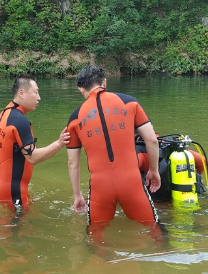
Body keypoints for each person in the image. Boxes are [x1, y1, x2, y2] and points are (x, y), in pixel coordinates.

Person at [65, 66, 164, 246]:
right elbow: (152, 140)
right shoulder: (129, 102)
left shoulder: (75, 118)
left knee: (95, 236)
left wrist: (77, 195)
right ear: (104, 82)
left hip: (100, 187)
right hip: (131, 182)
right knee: (155, 232)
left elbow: (73, 163)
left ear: (81, 88)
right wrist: (153, 170)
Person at [0, 74, 70, 210]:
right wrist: (59, 143)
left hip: (1, 187)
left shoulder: (5, 113)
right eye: (36, 92)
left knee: (7, 228)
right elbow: (32, 157)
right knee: (21, 230)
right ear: (21, 93)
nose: (39, 97)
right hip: (14, 191)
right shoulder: (19, 120)